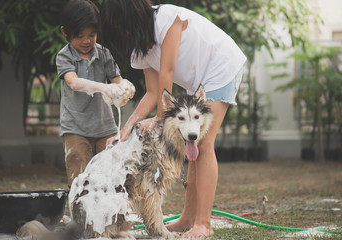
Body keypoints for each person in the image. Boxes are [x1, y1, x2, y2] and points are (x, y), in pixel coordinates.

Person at [100, 0, 246, 238]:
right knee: (193, 144)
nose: (121, 30)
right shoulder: (140, 49)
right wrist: (127, 127)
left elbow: (167, 73)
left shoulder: (166, 18)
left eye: (121, 22)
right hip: (197, 81)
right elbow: (152, 92)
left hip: (221, 66)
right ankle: (188, 218)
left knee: (204, 143)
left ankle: (203, 224)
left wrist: (159, 118)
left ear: (133, 13)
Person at [56, 0, 135, 187]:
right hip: (75, 128)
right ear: (65, 32)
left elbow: (117, 80)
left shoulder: (104, 54)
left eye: (92, 35)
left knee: (110, 176)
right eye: (79, 35)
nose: (86, 41)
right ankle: (81, 215)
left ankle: (112, 216)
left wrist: (126, 87)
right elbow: (73, 82)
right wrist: (103, 87)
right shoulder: (64, 56)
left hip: (105, 128)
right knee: (80, 177)